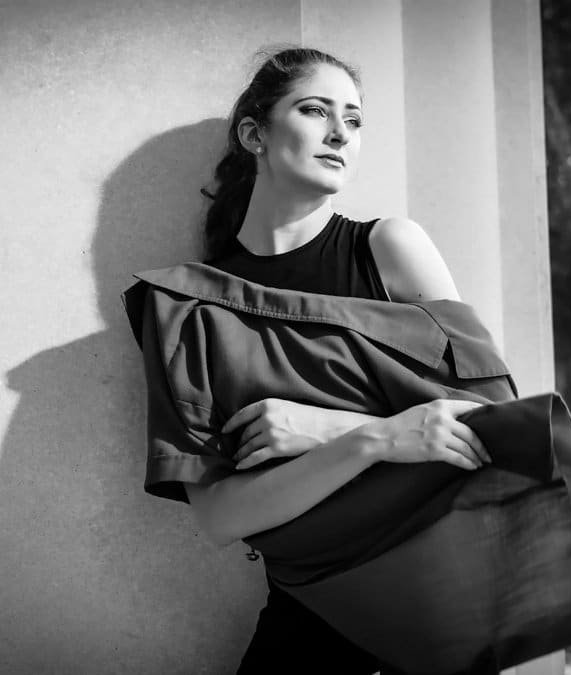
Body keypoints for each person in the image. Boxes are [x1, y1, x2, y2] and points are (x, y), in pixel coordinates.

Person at [182, 46, 489, 674]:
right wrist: (374, 441)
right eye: (315, 110)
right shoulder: (194, 307)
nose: (340, 133)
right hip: (303, 622)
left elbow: (490, 428)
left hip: (431, 613)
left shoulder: (391, 248)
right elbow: (219, 516)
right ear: (254, 135)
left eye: (353, 119)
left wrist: (335, 430)